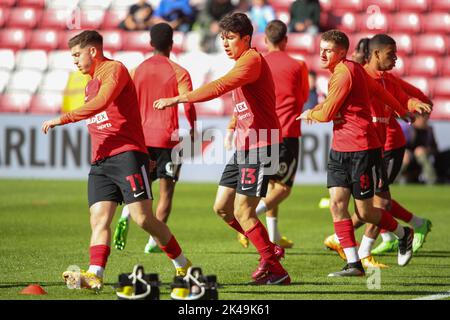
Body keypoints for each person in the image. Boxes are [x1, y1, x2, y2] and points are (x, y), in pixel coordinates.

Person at [41, 30, 192, 291]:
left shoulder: (115, 69)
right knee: (98, 219)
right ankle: (94, 273)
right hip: (101, 161)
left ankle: (182, 264)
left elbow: (103, 103)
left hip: (127, 155)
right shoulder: (88, 83)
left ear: (93, 51)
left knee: (143, 219)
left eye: (77, 55)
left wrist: (62, 118)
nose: (74, 61)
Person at [154, 13, 290, 285]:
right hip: (245, 145)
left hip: (263, 144)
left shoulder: (251, 60)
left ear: (246, 39)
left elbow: (220, 86)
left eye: (230, 38)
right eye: (222, 38)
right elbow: (246, 104)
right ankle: (268, 248)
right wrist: (232, 126)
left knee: (243, 210)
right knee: (222, 208)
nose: (225, 43)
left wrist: (180, 98)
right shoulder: (243, 62)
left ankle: (275, 268)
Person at [298, 30, 415, 277]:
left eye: (327, 50)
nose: (321, 53)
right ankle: (353, 264)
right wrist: (400, 108)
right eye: (321, 48)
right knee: (337, 205)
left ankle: (404, 233)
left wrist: (311, 113)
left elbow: (328, 113)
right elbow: (377, 92)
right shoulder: (351, 69)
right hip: (340, 149)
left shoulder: (344, 73)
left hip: (362, 148)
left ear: (341, 53)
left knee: (365, 212)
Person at [323, 34, 433, 267]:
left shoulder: (386, 79)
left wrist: (413, 105)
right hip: (366, 146)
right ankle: (413, 226)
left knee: (378, 203)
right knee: (374, 202)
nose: (395, 59)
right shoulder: (358, 76)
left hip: (387, 146)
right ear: (372, 54)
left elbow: (405, 98)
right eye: (391, 54)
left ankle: (362, 253)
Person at [113, 23, 197, 254]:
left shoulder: (136, 70)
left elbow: (124, 102)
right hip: (167, 139)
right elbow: (187, 101)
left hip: (140, 138)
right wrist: (193, 126)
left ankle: (126, 214)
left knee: (141, 185)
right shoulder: (179, 71)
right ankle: (154, 242)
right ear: (171, 44)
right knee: (166, 192)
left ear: (150, 44)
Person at [234, 20, 308, 250]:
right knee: (283, 188)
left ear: (265, 40)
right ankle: (250, 218)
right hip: (286, 132)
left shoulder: (258, 62)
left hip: (261, 133)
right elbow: (303, 96)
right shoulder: (298, 65)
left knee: (271, 185)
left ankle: (274, 235)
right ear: (285, 40)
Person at [402, 113, 438, 185]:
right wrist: (405, 153)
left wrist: (426, 150)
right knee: (405, 156)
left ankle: (431, 180)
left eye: (427, 118)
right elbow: (400, 146)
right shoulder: (407, 129)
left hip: (423, 156)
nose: (426, 121)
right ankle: (394, 180)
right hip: (408, 156)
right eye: (424, 118)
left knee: (420, 152)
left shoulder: (429, 130)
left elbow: (435, 149)